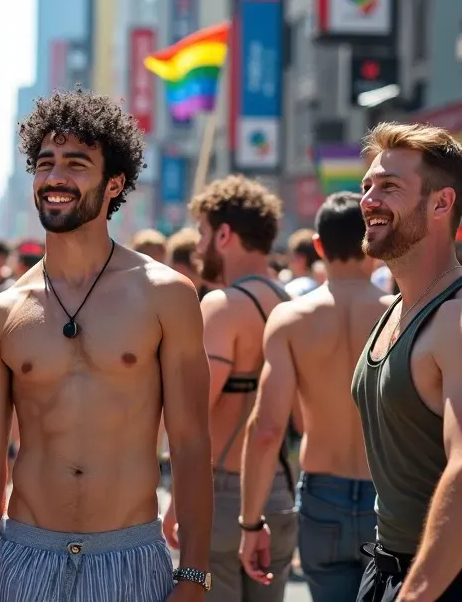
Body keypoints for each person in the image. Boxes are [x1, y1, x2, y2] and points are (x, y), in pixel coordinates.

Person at [0, 89, 213, 602]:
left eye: (76, 163)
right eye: (45, 163)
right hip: (27, 554)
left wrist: (195, 577)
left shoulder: (166, 296)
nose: (55, 177)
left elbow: (190, 444)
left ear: (114, 183)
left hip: (130, 556)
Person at [238, 192, 391, 601]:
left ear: (319, 246)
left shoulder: (290, 320)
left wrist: (251, 522)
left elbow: (268, 429)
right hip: (392, 492)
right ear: (373, 242)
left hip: (323, 495)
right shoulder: (402, 314)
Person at [352, 122, 462, 600]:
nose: (368, 200)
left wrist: (418, 591)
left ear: (441, 203)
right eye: (367, 186)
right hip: (385, 570)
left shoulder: (459, 320)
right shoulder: (395, 311)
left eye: (390, 187)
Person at [169, 175, 297, 602]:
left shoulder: (222, 306)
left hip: (222, 494)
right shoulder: (294, 307)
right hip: (280, 490)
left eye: (203, 233)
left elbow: (194, 412)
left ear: (225, 235)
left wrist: (179, 496)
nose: (199, 246)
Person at [283, 230, 319, 298]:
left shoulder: (296, 287)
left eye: (292, 255)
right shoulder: (322, 286)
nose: (289, 260)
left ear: (301, 259)